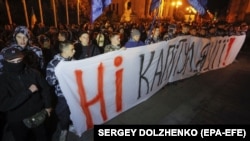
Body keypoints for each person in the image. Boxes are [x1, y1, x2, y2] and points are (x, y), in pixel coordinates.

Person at [0, 47, 52, 141]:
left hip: (37, 114)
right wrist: (27, 92)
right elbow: (3, 104)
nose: (17, 64)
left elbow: (45, 89)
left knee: (42, 137)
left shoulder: (33, 73)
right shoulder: (3, 80)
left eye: (19, 60)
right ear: (6, 61)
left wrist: (48, 106)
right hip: (17, 120)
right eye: (13, 61)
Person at [46, 41, 75, 141]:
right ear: (65, 50)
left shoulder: (72, 60)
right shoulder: (54, 63)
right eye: (72, 49)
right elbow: (50, 81)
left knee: (73, 111)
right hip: (62, 94)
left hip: (74, 92)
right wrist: (60, 73)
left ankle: (70, 125)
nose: (74, 51)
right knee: (63, 113)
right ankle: (64, 130)